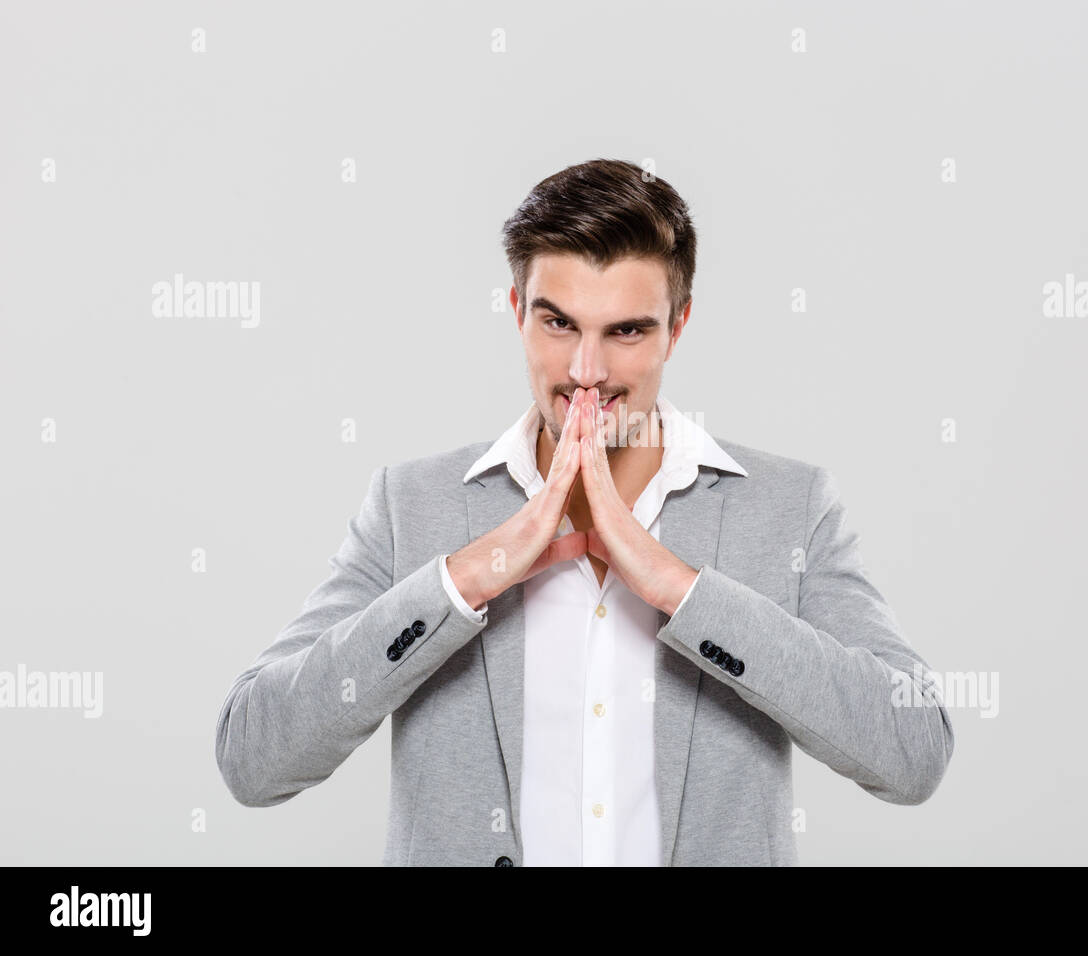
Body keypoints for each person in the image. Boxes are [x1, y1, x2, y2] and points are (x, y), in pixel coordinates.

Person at [214, 158, 954, 866]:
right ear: (516, 311)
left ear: (679, 325)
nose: (586, 373)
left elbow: (912, 749)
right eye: (558, 324)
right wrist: (464, 581)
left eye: (627, 331)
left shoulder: (790, 508)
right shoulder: (411, 504)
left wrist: (679, 588)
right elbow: (253, 756)